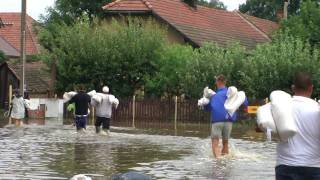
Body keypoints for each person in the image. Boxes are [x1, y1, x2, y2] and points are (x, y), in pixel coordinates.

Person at [275, 72, 320, 180]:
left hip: (285, 166)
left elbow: (260, 128)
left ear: (293, 88)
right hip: (313, 167)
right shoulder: (317, 108)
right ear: (311, 88)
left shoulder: (280, 106)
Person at [205, 75, 248, 159]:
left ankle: (218, 162)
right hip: (229, 120)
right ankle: (225, 162)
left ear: (218, 82)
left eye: (216, 81)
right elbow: (244, 100)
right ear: (225, 82)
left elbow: (208, 108)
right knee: (225, 143)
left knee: (215, 142)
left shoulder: (214, 95)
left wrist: (204, 105)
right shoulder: (232, 93)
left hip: (217, 121)